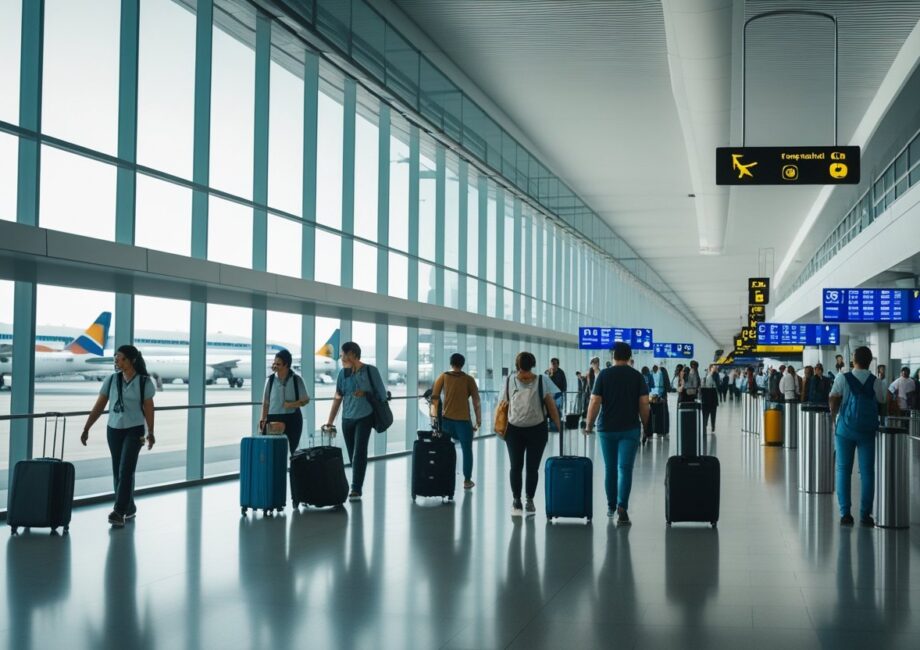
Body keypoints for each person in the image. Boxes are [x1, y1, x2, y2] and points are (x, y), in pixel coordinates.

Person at [81, 345, 156, 528]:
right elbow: (99, 406)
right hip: (114, 429)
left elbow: (149, 409)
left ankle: (118, 511)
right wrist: (86, 427)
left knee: (126, 469)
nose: (117, 361)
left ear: (132, 360)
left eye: (121, 358)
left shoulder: (144, 382)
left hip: (136, 430)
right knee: (118, 470)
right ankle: (129, 507)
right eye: (116, 358)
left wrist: (151, 433)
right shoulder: (111, 380)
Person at [584, 342, 649, 525]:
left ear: (613, 356)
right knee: (625, 469)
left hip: (607, 429)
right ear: (629, 357)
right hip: (630, 428)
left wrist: (589, 425)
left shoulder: (604, 375)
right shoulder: (637, 376)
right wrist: (646, 426)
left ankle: (611, 506)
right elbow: (644, 404)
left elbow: (595, 401)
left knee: (610, 468)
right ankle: (622, 507)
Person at [829, 346, 886, 527]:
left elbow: (833, 399)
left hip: (845, 430)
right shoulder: (876, 382)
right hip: (868, 431)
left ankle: (846, 513)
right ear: (870, 362)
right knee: (867, 472)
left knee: (843, 470)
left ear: (854, 359)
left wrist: (834, 419)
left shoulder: (842, 378)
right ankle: (865, 515)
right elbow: (883, 402)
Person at [324, 341, 389, 500]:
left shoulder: (370, 371)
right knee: (353, 453)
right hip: (347, 419)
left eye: (343, 355)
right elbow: (338, 397)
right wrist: (330, 421)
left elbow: (381, 395)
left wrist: (366, 393)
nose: (341, 358)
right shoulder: (342, 374)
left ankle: (356, 487)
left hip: (364, 417)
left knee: (360, 452)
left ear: (352, 354)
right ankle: (356, 482)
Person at [503, 351, 562, 516]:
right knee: (532, 468)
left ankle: (516, 500)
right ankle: (529, 500)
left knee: (515, 467)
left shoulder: (509, 380)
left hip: (514, 429)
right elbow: (551, 406)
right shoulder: (542, 380)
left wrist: (500, 427)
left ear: (517, 365)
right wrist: (559, 425)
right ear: (533, 364)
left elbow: (503, 404)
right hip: (537, 429)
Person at [431, 353, 482, 490]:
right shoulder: (469, 379)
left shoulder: (443, 376)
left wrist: (435, 419)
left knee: (445, 450)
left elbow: (434, 398)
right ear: (463, 364)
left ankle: (445, 476)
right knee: (467, 451)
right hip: (463, 422)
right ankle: (467, 481)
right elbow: (476, 401)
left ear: (451, 362)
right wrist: (478, 420)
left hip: (446, 421)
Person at [259, 349, 310, 454]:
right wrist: (262, 421)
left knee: (291, 450)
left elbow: (305, 400)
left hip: (293, 419)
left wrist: (291, 404)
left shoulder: (297, 380)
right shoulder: (270, 380)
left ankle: (290, 470)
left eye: (278, 364)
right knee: (273, 451)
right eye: (274, 363)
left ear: (286, 365)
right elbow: (266, 403)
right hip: (274, 418)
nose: (275, 366)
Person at [546, 357, 568, 422]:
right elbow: (545, 382)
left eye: (554, 363)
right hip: (550, 394)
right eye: (552, 363)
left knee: (558, 408)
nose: (553, 365)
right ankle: (551, 422)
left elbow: (564, 383)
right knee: (550, 408)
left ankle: (557, 422)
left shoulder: (561, 372)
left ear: (558, 364)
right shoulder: (548, 371)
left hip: (559, 393)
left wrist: (563, 393)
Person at [700, 364, 719, 433]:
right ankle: (705, 424)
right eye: (714, 368)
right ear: (710, 368)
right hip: (707, 396)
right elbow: (702, 386)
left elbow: (718, 385)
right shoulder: (705, 376)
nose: (715, 369)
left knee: (713, 413)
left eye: (715, 368)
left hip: (713, 396)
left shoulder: (716, 376)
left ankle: (713, 426)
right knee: (706, 413)